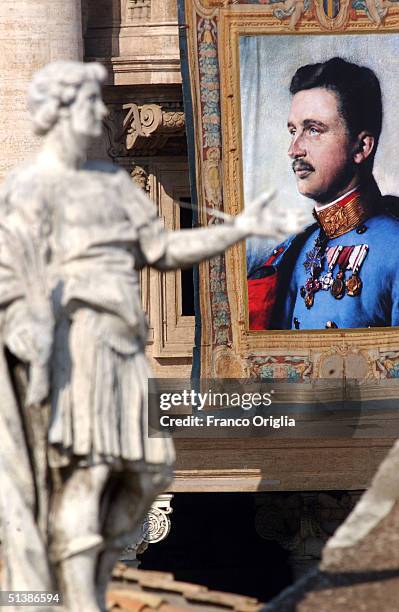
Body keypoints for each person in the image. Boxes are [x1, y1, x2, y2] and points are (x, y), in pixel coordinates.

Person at [0, 60, 301, 612]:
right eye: (92, 103)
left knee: (149, 467)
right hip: (78, 347)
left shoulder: (112, 183)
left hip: (122, 347)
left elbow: (162, 251)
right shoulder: (29, 189)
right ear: (66, 111)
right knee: (89, 474)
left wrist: (238, 230)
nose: (101, 112)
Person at [248, 56, 399, 331]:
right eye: (293, 131)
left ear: (361, 147)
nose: (294, 150)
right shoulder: (295, 249)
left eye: (313, 130)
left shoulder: (394, 248)